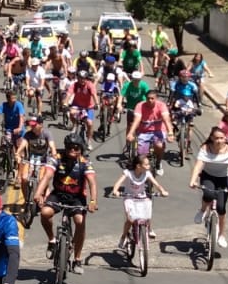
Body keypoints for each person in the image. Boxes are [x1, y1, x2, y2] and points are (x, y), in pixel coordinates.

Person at [33, 136, 97, 273]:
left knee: (80, 221)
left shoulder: (85, 162)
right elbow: (47, 177)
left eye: (76, 148)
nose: (72, 150)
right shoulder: (57, 157)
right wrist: (38, 193)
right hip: (58, 194)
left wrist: (93, 201)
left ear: (81, 149)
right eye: (69, 147)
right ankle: (51, 240)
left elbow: (92, 182)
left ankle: (77, 259)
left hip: (76, 197)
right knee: (45, 213)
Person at [188, 129, 228, 248]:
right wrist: (193, 180)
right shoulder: (206, 148)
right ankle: (202, 210)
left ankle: (221, 235)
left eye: (222, 138)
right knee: (209, 195)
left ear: (225, 139)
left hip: (223, 178)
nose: (219, 141)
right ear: (211, 138)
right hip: (208, 176)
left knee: (221, 208)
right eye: (216, 138)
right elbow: (198, 166)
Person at [109, 154, 167, 249]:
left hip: (141, 196)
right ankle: (123, 236)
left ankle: (149, 228)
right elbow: (117, 184)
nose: (149, 166)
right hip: (129, 197)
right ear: (138, 166)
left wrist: (162, 191)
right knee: (130, 219)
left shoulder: (147, 174)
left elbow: (156, 184)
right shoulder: (128, 173)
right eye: (147, 164)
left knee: (147, 211)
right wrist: (116, 191)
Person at [125, 86, 172, 175]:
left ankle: (158, 163)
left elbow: (166, 119)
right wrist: (130, 133)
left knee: (159, 145)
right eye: (148, 98)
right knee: (142, 155)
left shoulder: (161, 105)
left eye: (152, 98)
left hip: (158, 130)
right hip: (143, 131)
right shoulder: (140, 105)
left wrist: (170, 133)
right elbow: (136, 120)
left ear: (156, 98)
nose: (150, 100)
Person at [14, 115, 57, 208]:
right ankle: (26, 200)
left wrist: (54, 154)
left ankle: (42, 195)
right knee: (24, 178)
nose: (32, 127)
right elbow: (23, 145)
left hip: (43, 161)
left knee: (42, 179)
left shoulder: (46, 133)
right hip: (30, 160)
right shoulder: (28, 134)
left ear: (41, 124)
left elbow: (52, 146)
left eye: (34, 125)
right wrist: (17, 153)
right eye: (31, 125)